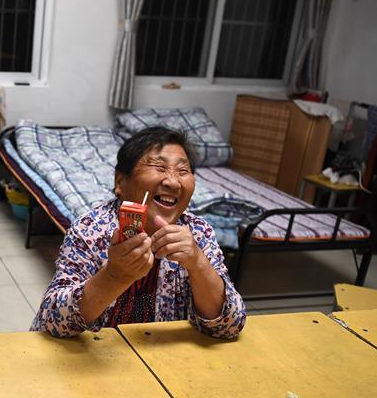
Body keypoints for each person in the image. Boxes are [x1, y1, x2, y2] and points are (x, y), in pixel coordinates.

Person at [31, 126, 245, 339]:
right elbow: (52, 321)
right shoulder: (89, 230)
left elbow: (230, 326)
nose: (173, 182)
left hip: (158, 353)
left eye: (183, 171)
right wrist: (114, 276)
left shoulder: (198, 232)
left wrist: (197, 263)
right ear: (120, 182)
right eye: (159, 167)